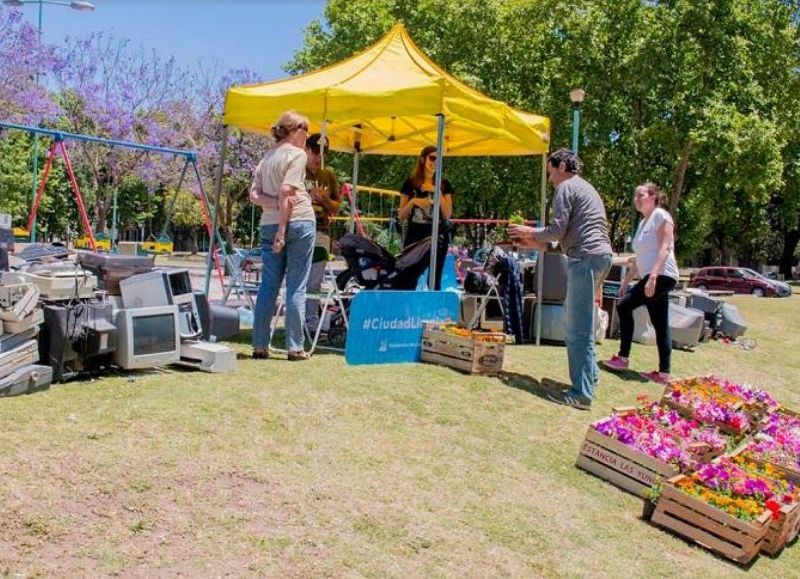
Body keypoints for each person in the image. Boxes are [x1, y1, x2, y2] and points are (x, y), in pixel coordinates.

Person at [508, 148, 613, 410]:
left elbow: (557, 229)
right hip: (598, 257)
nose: (551, 178)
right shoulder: (584, 188)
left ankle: (580, 394)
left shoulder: (566, 188)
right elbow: (564, 239)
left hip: (585, 260)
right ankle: (591, 378)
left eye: (551, 171)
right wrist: (534, 242)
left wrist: (528, 230)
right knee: (581, 323)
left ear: (563, 167)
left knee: (576, 329)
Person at [249, 110, 316, 361]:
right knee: (296, 286)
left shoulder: (265, 159)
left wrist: (274, 206)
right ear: (293, 131)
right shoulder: (297, 155)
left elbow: (254, 195)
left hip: (267, 223)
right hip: (297, 222)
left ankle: (259, 345)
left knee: (268, 286)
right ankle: (294, 347)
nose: (307, 136)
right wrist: (282, 228)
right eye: (304, 130)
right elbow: (288, 191)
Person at [601, 182, 679, 383]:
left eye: (641, 195)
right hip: (650, 276)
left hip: (662, 275)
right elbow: (640, 257)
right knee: (660, 324)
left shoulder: (661, 216)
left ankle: (623, 357)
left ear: (654, 197)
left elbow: (665, 248)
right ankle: (663, 373)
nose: (636, 199)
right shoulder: (643, 223)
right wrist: (626, 281)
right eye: (635, 196)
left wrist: (652, 277)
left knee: (624, 306)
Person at [398, 145, 454, 289]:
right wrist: (414, 202)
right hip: (415, 238)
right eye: (432, 158)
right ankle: (406, 311)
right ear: (423, 159)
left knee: (434, 282)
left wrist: (437, 191)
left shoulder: (444, 184)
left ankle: (433, 311)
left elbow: (448, 214)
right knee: (408, 279)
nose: (435, 162)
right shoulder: (410, 183)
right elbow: (401, 215)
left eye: (439, 159)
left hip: (437, 238)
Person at [304, 132, 341, 337]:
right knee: (298, 278)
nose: (319, 158)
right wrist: (307, 197)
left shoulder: (328, 176)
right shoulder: (297, 172)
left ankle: (311, 324)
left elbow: (336, 207)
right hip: (300, 230)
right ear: (306, 150)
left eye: (323, 154)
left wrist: (325, 199)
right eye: (315, 152)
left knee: (315, 281)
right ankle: (296, 319)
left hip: (322, 232)